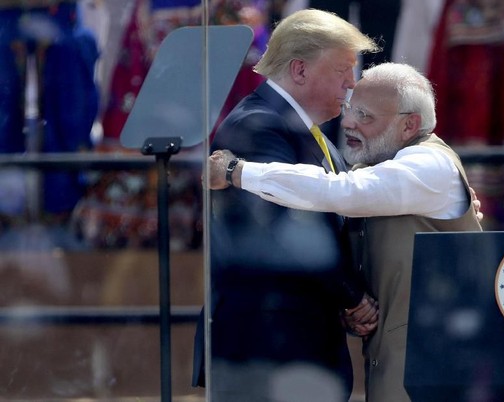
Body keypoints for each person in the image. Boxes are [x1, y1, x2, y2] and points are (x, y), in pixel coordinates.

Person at [208, 62, 484, 401]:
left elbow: (341, 191)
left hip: (433, 366)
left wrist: (238, 171)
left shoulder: (430, 166)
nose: (348, 122)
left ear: (409, 124)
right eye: (351, 110)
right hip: (404, 361)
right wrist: (353, 301)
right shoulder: (387, 167)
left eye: (365, 116)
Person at [192, 9, 381, 401]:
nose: (353, 81)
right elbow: (289, 231)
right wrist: (352, 297)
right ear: (299, 71)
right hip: (265, 349)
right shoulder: (257, 125)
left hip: (297, 347)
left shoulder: (311, 133)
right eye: (343, 70)